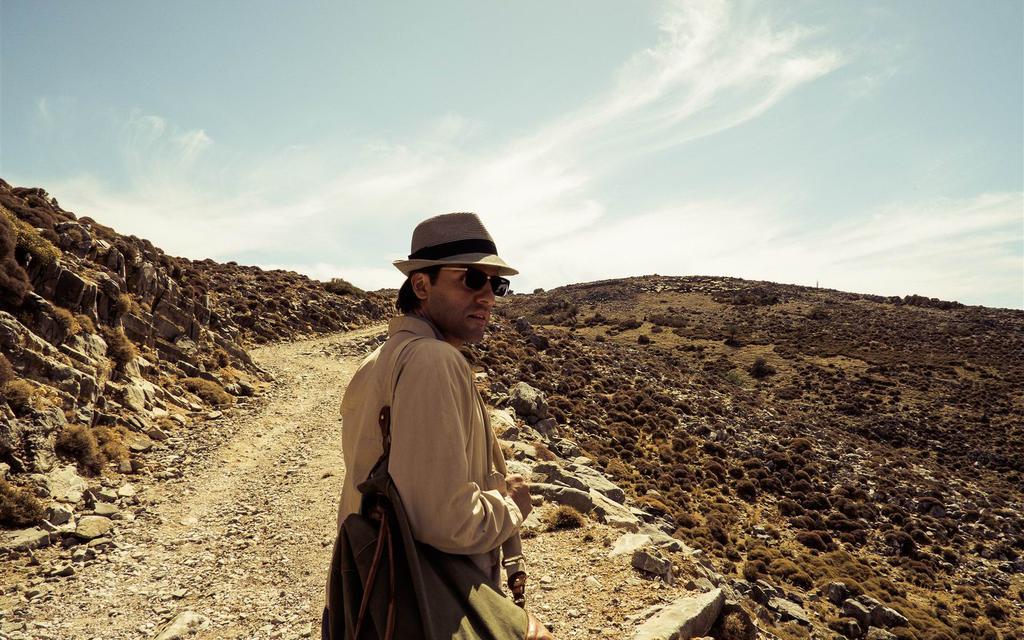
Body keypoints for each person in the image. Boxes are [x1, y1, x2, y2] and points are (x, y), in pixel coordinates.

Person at [333, 212, 554, 639]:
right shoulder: (434, 360)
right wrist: (511, 506)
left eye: (496, 284)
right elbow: (446, 521)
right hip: (428, 602)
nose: (488, 297)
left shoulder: (378, 360)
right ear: (421, 285)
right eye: (471, 279)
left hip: (374, 591)